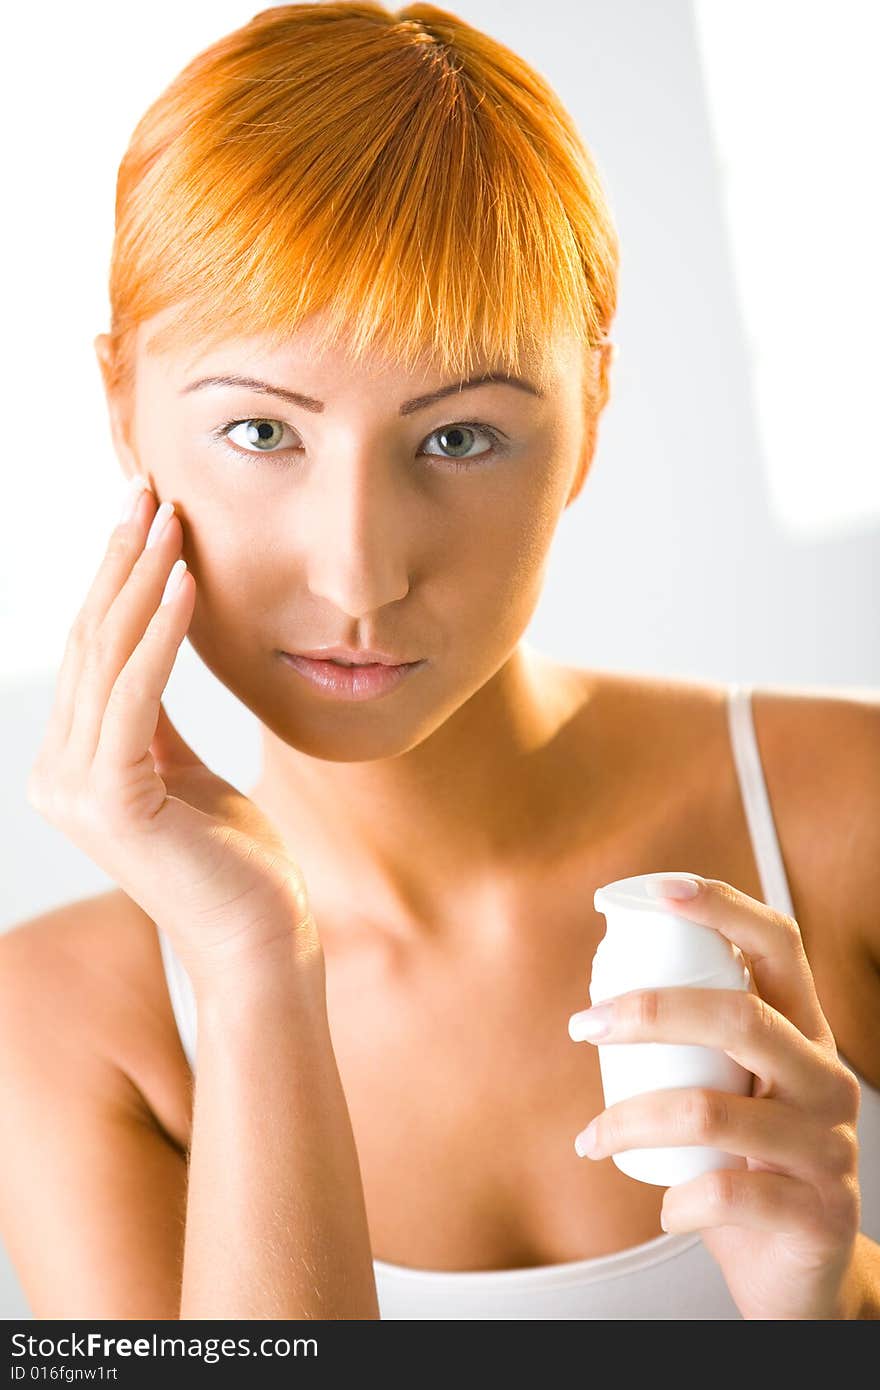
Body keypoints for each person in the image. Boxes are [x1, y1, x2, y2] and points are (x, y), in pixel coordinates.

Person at [1, 1, 878, 1321]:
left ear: (588, 415)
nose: (360, 576)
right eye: (261, 432)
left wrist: (831, 1308)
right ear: (122, 408)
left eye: (459, 437)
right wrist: (254, 971)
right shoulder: (65, 1027)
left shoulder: (845, 818)